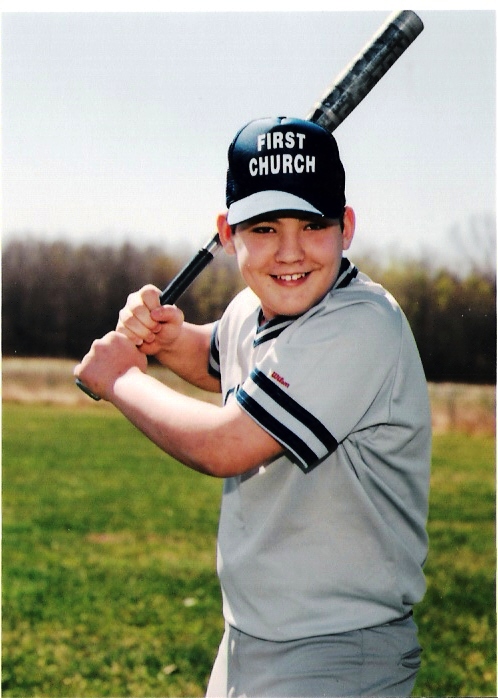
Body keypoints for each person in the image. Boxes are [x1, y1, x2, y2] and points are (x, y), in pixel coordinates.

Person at [74, 116, 431, 697]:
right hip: (252, 637)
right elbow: (212, 356)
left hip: (337, 648)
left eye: (313, 224)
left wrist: (120, 380)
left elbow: (226, 443)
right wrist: (162, 335)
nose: (289, 251)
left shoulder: (360, 322)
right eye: (263, 228)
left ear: (346, 228)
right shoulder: (252, 308)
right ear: (226, 232)